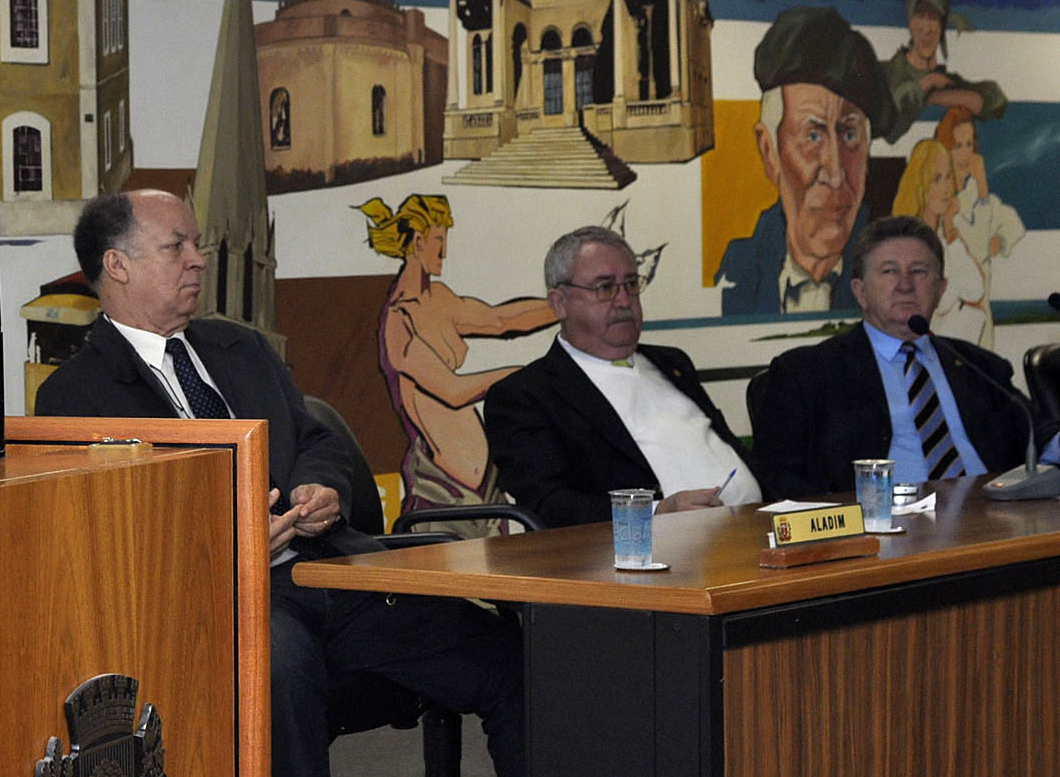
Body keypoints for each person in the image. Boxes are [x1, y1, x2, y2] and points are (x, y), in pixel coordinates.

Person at [34, 190, 525, 777]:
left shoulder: (239, 348)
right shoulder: (73, 398)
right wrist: (221, 542)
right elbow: (106, 540)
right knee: (279, 660)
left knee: (500, 649)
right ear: (116, 266)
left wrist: (321, 486)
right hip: (220, 602)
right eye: (176, 247)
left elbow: (316, 442)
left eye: (196, 243)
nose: (197, 259)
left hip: (328, 567)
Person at [749, 214, 1059, 499]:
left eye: (919, 271)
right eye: (889, 271)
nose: (905, 285)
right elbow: (777, 477)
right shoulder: (805, 373)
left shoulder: (979, 366)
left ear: (940, 289)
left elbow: (1037, 436)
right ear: (859, 291)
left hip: (991, 519)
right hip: (879, 532)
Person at [484, 225, 762, 528]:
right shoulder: (524, 396)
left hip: (757, 533)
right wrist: (654, 513)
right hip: (647, 557)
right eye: (605, 288)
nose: (624, 300)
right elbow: (549, 507)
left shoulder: (672, 362)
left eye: (631, 284)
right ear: (559, 303)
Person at [358, 193, 554, 536]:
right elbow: (452, 391)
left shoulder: (440, 299)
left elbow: (499, 321)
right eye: (439, 240)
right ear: (418, 242)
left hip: (487, 492)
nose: (444, 252)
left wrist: (566, 303)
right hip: (442, 498)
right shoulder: (398, 320)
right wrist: (526, 374)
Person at [717, 7, 893, 315]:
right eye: (812, 137)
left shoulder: (892, 272)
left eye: (850, 135)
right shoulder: (736, 274)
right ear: (770, 152)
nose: (836, 173)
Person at [878, 0, 1006, 146]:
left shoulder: (946, 81)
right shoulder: (882, 73)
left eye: (933, 18)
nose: (927, 28)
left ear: (942, 24)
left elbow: (994, 100)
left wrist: (935, 93)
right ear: (910, 21)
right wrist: (926, 86)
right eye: (920, 16)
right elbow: (890, 132)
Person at [935, 105, 1023, 348]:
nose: (964, 154)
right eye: (957, 146)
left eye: (969, 145)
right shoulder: (941, 198)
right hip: (951, 305)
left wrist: (1001, 240)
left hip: (980, 305)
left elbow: (1010, 221)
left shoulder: (980, 198)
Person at [890, 139, 986, 344]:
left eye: (948, 177)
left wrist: (951, 230)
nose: (945, 189)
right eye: (937, 179)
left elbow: (976, 290)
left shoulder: (945, 238)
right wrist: (962, 300)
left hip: (957, 352)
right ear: (921, 185)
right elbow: (940, 302)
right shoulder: (907, 243)